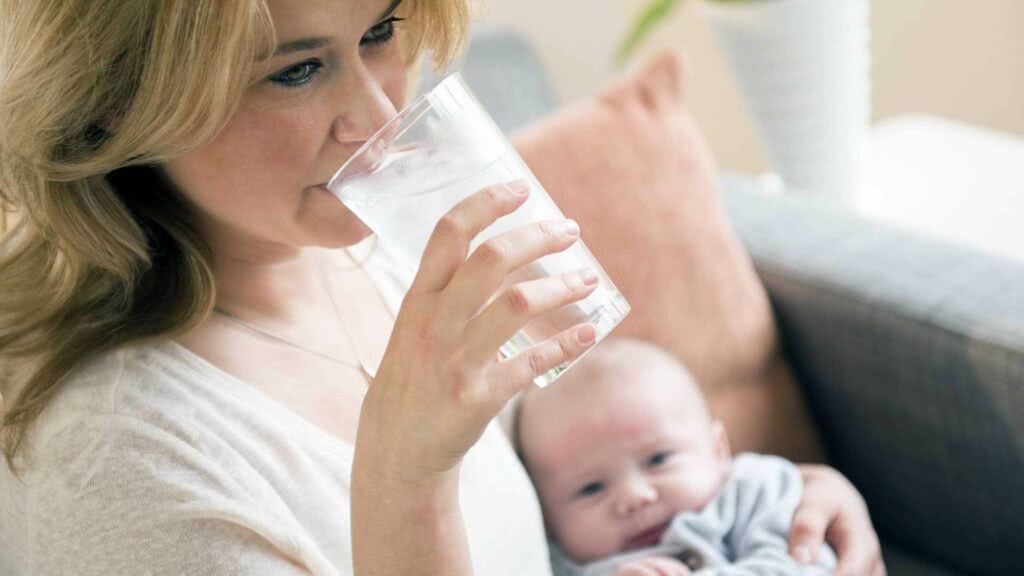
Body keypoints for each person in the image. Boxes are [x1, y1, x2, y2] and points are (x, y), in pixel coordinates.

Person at [0, 1, 885, 575]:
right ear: (119, 111)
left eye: (380, 33)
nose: (381, 121)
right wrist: (404, 481)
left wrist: (771, 505)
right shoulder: (122, 470)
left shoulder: (371, 253)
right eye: (296, 70)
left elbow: (567, 495)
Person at [517, 338, 840, 576]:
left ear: (718, 449)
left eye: (658, 460)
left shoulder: (755, 490)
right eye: (590, 488)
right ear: (546, 518)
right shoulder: (553, 565)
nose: (635, 496)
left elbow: (808, 564)